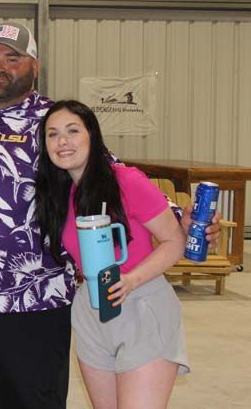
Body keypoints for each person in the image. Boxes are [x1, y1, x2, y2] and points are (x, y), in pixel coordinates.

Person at [0, 22, 219, 409]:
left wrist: (176, 218)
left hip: (35, 305)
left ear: (35, 66)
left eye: (12, 58)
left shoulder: (54, 122)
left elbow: (108, 174)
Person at [35, 100, 190, 409]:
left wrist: (130, 280)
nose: (62, 141)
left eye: (72, 131)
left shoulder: (126, 180)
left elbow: (174, 242)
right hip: (91, 311)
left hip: (141, 306)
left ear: (92, 135)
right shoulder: (60, 193)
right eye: (52, 135)